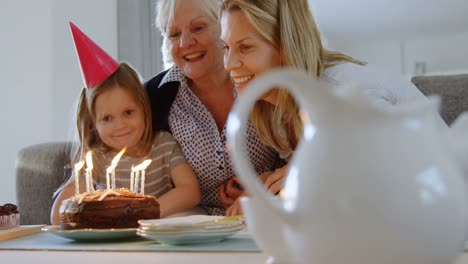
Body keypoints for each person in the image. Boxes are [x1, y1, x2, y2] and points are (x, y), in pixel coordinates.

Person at [220, 0, 447, 215]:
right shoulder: (275, 108)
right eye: (226, 47)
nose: (228, 64)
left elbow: (399, 173)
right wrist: (268, 186)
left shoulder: (346, 92)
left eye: (246, 47)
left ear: (286, 46)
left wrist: (307, 175)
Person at [50, 23, 200, 224]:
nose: (120, 125)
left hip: (157, 233)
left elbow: (190, 191)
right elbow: (57, 216)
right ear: (93, 124)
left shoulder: (163, 145)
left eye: (128, 112)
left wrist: (143, 213)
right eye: (107, 118)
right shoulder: (98, 159)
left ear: (144, 109)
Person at [146, 0, 280, 215]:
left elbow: (302, 154)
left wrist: (262, 185)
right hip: (191, 229)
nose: (185, 43)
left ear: (226, 27)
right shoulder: (154, 97)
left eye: (198, 27)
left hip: (265, 219)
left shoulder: (260, 80)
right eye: (173, 34)